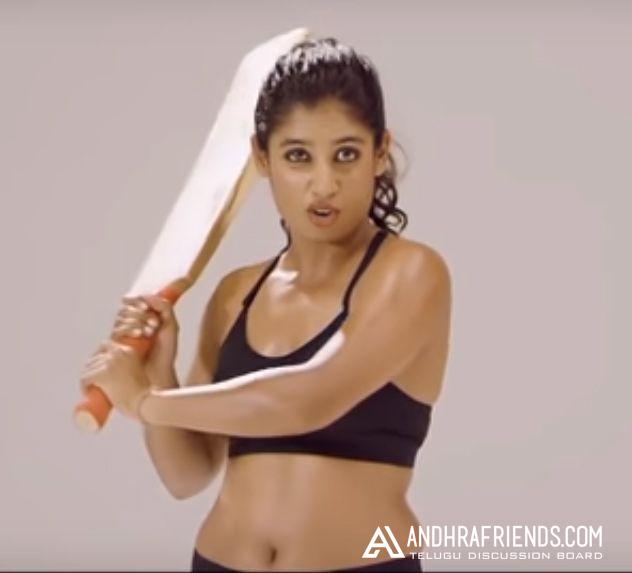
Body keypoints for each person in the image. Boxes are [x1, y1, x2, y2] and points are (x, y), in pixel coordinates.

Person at [81, 37, 452, 572]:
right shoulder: (236, 295)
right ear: (262, 157)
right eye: (298, 156)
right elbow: (188, 475)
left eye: (346, 154)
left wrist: (143, 401)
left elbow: (308, 398)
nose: (324, 184)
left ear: (379, 152)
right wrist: (161, 371)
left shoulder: (411, 273)